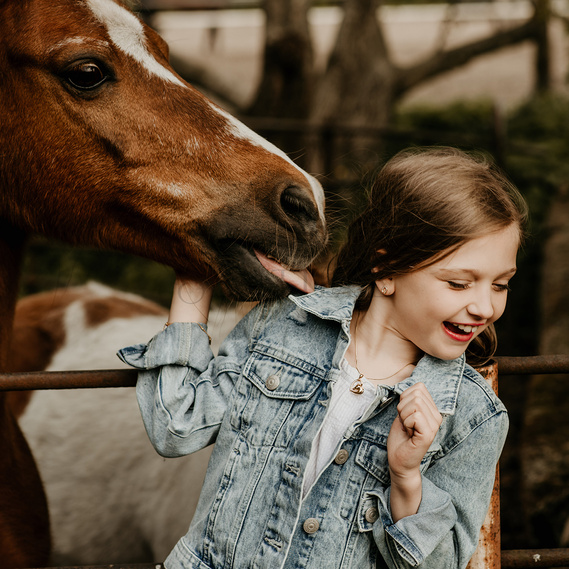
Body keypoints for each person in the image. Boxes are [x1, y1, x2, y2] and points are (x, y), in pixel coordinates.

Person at [118, 146, 528, 569]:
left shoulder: (474, 417)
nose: (485, 307)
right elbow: (175, 425)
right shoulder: (284, 326)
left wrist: (406, 477)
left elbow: (441, 564)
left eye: (500, 285)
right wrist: (195, 266)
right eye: (460, 283)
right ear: (387, 273)